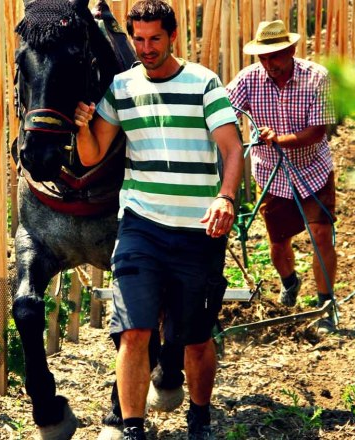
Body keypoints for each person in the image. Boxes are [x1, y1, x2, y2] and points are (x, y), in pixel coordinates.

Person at [74, 1, 243, 438]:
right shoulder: (122, 87)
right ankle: (132, 428)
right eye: (139, 39)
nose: (146, 48)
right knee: (134, 331)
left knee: (195, 340)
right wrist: (81, 128)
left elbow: (231, 149)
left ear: (172, 37)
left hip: (198, 230)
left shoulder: (204, 83)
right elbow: (93, 154)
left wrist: (225, 197)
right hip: (141, 225)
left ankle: (199, 416)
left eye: (155, 39)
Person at [225, 20, 338, 334]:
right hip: (272, 175)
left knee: (320, 235)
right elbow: (222, 110)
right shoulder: (249, 79)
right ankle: (290, 283)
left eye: (274, 55)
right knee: (278, 245)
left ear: (291, 50)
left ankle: (326, 305)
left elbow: (319, 131)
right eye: (262, 56)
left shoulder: (317, 78)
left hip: (313, 169)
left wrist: (281, 139)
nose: (268, 63)